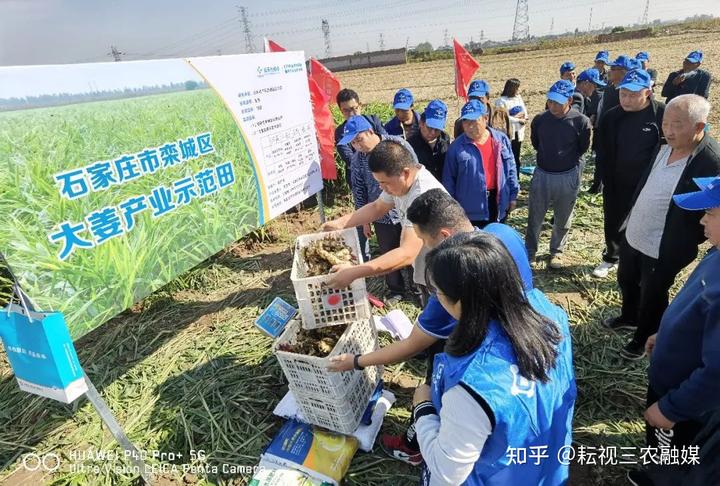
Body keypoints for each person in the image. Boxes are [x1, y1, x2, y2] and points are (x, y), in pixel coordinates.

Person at [327, 189, 540, 465]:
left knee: (435, 386)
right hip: (521, 333)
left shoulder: (453, 289)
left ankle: (415, 446)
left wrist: (356, 361)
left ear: (444, 236)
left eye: (425, 242)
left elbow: (411, 345)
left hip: (482, 353)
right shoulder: (503, 232)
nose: (426, 250)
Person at [412, 231, 576, 485]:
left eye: (438, 292)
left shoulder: (472, 388)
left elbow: (447, 474)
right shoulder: (551, 317)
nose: (436, 298)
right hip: (544, 467)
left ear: (461, 303)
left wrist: (423, 410)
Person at [603, 94, 720, 360]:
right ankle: (628, 317)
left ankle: (643, 336)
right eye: (665, 122)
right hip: (636, 233)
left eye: (677, 124)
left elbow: (711, 211)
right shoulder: (665, 146)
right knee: (627, 279)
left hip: (664, 245)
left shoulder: (710, 161)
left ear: (699, 127)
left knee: (653, 294)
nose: (668, 130)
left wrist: (685, 241)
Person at [626, 176, 720, 486]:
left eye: (711, 212)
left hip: (684, 399)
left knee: (674, 453)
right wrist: (664, 335)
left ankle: (660, 480)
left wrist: (671, 408)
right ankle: (655, 471)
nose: (702, 219)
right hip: (671, 378)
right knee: (660, 446)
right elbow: (695, 310)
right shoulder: (716, 253)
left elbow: (716, 370)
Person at [321, 139, 445, 305]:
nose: (381, 188)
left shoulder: (422, 195)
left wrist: (354, 272)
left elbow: (406, 253)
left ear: (405, 173)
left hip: (443, 275)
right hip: (426, 270)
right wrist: (340, 223)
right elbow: (377, 207)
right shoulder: (401, 183)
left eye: (384, 182)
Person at [592, 70, 665, 279]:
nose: (627, 99)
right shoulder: (611, 117)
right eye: (623, 94)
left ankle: (640, 260)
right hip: (617, 180)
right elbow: (603, 152)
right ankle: (611, 257)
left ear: (648, 93)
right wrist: (603, 180)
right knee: (614, 219)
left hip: (649, 182)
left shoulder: (660, 114)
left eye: (633, 95)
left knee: (645, 221)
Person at [339, 115, 413, 303]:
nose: (357, 145)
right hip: (380, 214)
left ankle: (418, 288)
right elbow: (359, 190)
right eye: (353, 143)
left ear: (370, 132)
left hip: (406, 209)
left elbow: (414, 172)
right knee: (388, 250)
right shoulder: (358, 160)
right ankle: (396, 290)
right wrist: (365, 220)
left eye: (359, 139)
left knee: (412, 250)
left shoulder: (396, 145)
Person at [526, 80, 592, 269]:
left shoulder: (580, 122)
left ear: (570, 100)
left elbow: (583, 148)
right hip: (543, 175)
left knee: (563, 218)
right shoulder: (540, 120)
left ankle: (556, 252)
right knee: (535, 216)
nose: (552, 106)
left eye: (557, 102)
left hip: (567, 176)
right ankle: (530, 251)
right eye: (550, 101)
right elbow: (536, 143)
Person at [443, 100, 519, 228]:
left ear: (485, 118)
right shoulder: (456, 148)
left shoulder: (500, 140)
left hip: (498, 202)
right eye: (466, 121)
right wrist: (452, 209)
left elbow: (511, 169)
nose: (469, 126)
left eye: (474, 121)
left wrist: (512, 196)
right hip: (470, 209)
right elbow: (448, 181)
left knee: (495, 242)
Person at [334, 89, 386, 189]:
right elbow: (350, 159)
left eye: (354, 108)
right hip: (359, 179)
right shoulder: (341, 133)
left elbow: (385, 142)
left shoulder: (373, 120)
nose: (351, 114)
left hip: (383, 171)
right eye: (346, 110)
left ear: (360, 105)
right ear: (341, 111)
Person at [576, 68, 607, 194]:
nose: (595, 89)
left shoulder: (592, 96)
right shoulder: (580, 96)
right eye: (595, 85)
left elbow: (590, 119)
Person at [407, 100, 450, 182]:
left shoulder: (445, 139)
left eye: (437, 129)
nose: (433, 133)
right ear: (421, 123)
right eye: (429, 127)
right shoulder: (411, 145)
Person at [495, 78, 528, 176]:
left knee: (516, 157)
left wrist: (523, 118)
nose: (518, 90)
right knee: (508, 157)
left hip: (519, 132)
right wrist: (517, 119)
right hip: (508, 133)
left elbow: (524, 112)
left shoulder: (518, 98)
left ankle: (516, 178)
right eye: (517, 88)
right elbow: (502, 118)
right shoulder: (501, 101)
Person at [596, 55, 639, 124]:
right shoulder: (608, 90)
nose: (609, 71)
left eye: (612, 69)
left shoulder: (629, 92)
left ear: (623, 72)